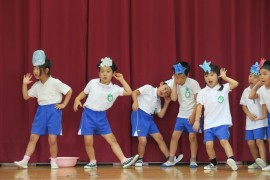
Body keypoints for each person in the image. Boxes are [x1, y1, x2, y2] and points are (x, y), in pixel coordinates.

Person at [73, 57, 139, 169]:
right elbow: (83, 93)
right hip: (88, 115)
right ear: (98, 73)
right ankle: (92, 161)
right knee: (88, 141)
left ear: (113, 73)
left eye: (108, 71)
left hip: (101, 117)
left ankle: (124, 160)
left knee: (112, 139)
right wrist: (76, 100)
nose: (105, 74)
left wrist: (122, 80)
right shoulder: (92, 83)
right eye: (102, 71)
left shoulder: (115, 89)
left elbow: (129, 92)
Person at [14, 50, 72, 169]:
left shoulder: (55, 82)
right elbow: (26, 97)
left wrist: (64, 104)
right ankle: (25, 161)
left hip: (53, 111)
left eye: (37, 68)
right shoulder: (37, 86)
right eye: (34, 68)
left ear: (46, 70)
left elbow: (69, 90)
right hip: (41, 111)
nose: (34, 71)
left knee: (52, 139)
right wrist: (24, 84)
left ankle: (54, 161)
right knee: (33, 137)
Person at [193, 60, 239, 171]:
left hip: (222, 122)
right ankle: (213, 163)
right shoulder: (203, 92)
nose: (209, 77)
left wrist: (225, 77)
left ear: (217, 76)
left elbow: (236, 84)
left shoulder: (224, 88)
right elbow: (199, 107)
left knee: (223, 140)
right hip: (208, 124)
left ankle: (231, 159)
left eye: (212, 75)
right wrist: (197, 121)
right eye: (206, 75)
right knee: (208, 144)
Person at [131, 82, 182, 167]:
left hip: (149, 119)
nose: (164, 92)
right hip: (139, 115)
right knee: (143, 140)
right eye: (165, 88)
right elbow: (134, 92)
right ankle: (140, 159)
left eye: (167, 93)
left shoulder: (158, 101)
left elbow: (160, 115)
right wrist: (135, 102)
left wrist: (166, 103)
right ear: (161, 84)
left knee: (159, 138)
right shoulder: (149, 88)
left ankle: (170, 159)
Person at [162, 61, 201, 168]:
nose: (180, 80)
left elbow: (198, 102)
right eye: (177, 77)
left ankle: (193, 159)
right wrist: (174, 83)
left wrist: (193, 116)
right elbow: (174, 98)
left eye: (182, 77)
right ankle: (171, 159)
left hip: (192, 114)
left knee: (192, 137)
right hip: (181, 115)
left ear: (187, 75)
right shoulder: (173, 82)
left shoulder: (193, 83)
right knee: (174, 136)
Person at [240, 62, 267, 169]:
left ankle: (264, 161)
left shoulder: (261, 90)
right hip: (250, 122)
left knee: (259, 141)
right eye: (250, 76)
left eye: (255, 77)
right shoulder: (245, 91)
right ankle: (257, 161)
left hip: (260, 121)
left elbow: (254, 97)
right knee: (250, 143)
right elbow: (243, 105)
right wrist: (249, 114)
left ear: (260, 80)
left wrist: (257, 86)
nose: (251, 79)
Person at [249, 59, 270, 171]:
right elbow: (251, 96)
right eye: (260, 74)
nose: (262, 77)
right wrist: (258, 83)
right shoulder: (262, 90)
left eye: (265, 74)